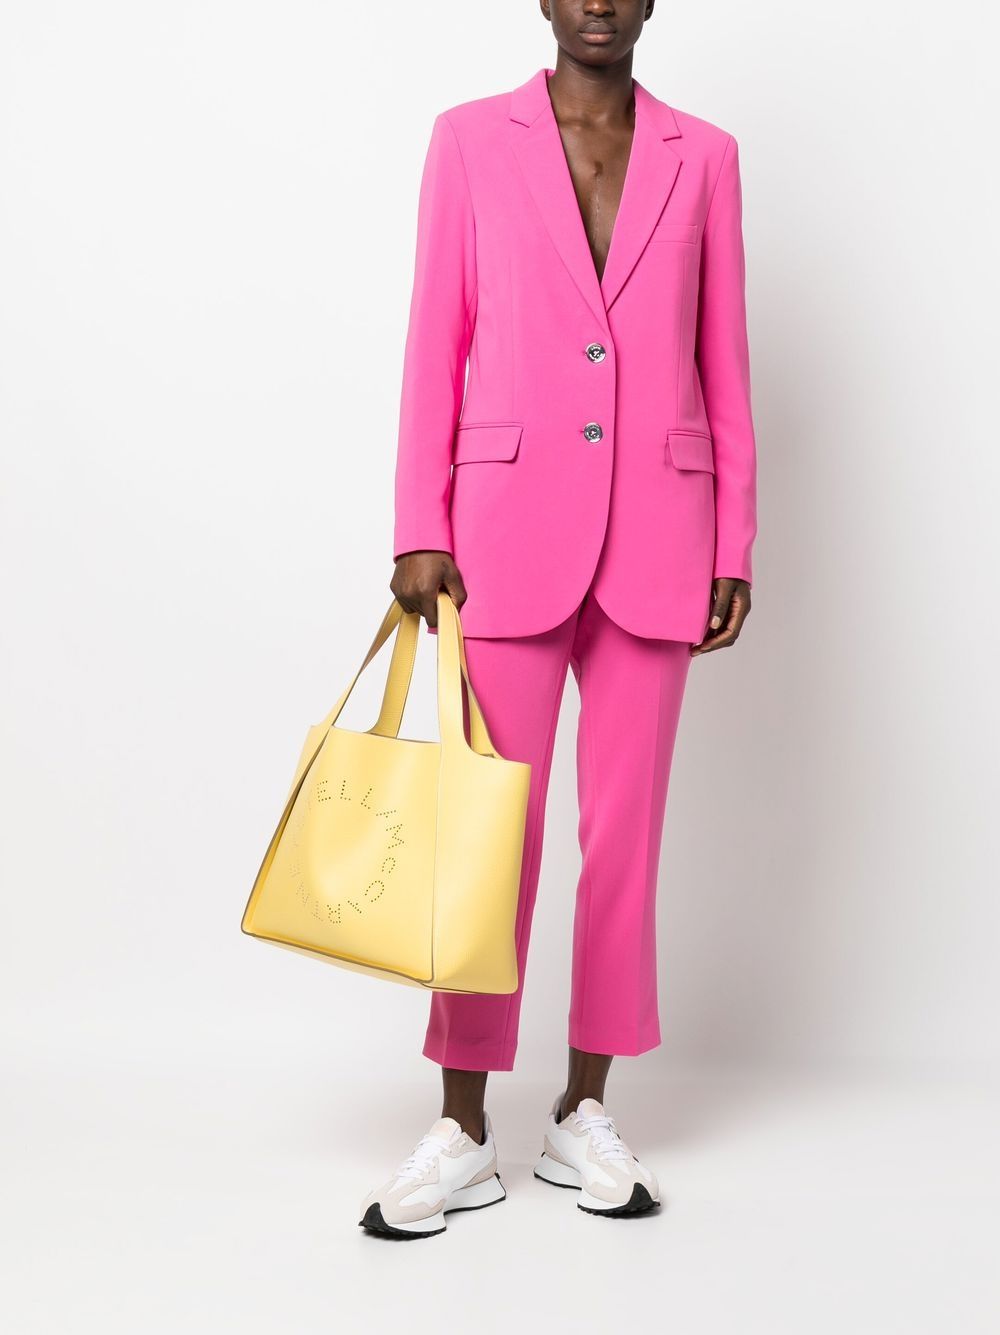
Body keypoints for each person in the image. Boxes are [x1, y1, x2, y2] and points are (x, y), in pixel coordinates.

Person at [361, 0, 756, 1238]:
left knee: (623, 841)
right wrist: (418, 522)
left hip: (660, 534)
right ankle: (461, 1127)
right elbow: (437, 336)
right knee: (486, 839)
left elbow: (723, 355)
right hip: (502, 539)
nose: (597, 2)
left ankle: (584, 1109)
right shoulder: (469, 140)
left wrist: (732, 537)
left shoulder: (706, 155)